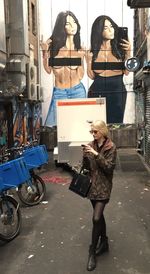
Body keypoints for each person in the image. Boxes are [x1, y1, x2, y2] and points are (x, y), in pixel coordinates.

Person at [82, 120, 117, 271]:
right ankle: (104, 243)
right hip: (92, 187)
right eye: (91, 132)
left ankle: (92, 252)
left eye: (95, 131)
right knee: (100, 217)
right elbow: (87, 168)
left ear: (102, 131)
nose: (93, 134)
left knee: (96, 218)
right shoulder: (91, 145)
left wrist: (96, 154)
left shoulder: (111, 147)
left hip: (104, 187)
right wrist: (85, 156)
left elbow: (109, 168)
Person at [41, 11, 86, 127]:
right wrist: (44, 52)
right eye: (68, 23)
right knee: (54, 126)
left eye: (74, 22)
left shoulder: (79, 49)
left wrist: (81, 59)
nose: (72, 26)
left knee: (79, 125)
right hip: (59, 92)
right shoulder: (53, 48)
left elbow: (80, 75)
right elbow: (48, 70)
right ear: (62, 26)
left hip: (77, 91)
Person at [86, 15, 131, 124]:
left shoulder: (120, 48)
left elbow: (126, 72)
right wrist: (88, 61)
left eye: (111, 26)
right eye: (106, 28)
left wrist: (128, 52)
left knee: (116, 124)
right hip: (97, 90)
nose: (111, 30)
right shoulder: (93, 50)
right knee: (97, 126)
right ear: (99, 31)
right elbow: (92, 76)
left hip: (117, 90)